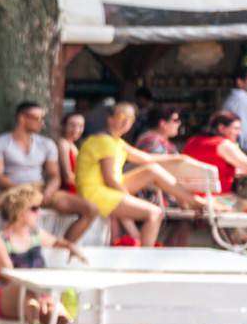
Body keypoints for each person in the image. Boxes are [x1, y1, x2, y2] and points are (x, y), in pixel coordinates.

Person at [74, 100, 216, 247]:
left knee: (152, 170)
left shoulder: (117, 142)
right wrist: (129, 204)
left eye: (129, 119)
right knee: (155, 213)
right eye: (121, 117)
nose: (125, 122)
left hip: (108, 189)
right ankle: (146, 256)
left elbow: (147, 159)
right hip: (96, 192)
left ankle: (194, 201)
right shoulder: (103, 142)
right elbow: (110, 179)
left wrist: (180, 157)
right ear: (110, 119)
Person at [0, 183, 84, 324]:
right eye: (34, 208)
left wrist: (70, 247)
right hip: (7, 295)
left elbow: (55, 241)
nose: (39, 213)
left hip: (37, 296)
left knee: (63, 322)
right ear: (20, 210)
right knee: (28, 288)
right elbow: (6, 274)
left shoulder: (35, 234)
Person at [0, 101, 95, 243]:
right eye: (37, 118)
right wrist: (24, 192)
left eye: (43, 119)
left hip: (40, 188)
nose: (42, 123)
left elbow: (55, 175)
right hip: (12, 190)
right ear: (22, 118)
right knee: (26, 216)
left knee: (90, 209)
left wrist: (47, 192)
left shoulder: (46, 144)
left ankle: (63, 247)